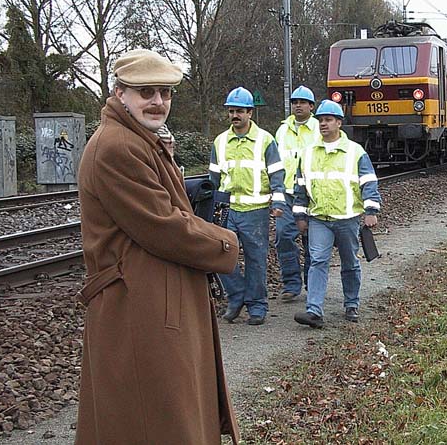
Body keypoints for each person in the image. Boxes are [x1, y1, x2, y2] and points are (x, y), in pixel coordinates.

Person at [75, 49, 241, 444]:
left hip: (148, 297)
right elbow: (164, 226)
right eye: (145, 91)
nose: (157, 101)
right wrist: (227, 244)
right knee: (156, 419)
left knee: (154, 416)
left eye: (165, 93)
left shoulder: (139, 139)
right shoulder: (118, 147)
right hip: (136, 306)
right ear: (120, 93)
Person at [293, 100, 381, 329]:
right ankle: (314, 311)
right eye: (320, 120)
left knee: (350, 263)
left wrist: (371, 210)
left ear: (339, 123)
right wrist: (300, 216)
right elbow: (300, 186)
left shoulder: (355, 152)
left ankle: (351, 303)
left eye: (328, 120)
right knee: (317, 261)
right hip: (319, 218)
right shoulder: (308, 153)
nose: (323, 124)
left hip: (347, 218)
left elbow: (369, 182)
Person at [209, 87, 288, 326]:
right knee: (220, 255)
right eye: (232, 111)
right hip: (228, 210)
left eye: (240, 111)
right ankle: (237, 296)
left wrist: (277, 199)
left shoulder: (265, 140)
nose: (235, 115)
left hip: (255, 210)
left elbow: (276, 172)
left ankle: (257, 305)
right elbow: (214, 178)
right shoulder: (220, 141)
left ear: (250, 113)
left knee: (256, 259)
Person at [274, 85, 321, 301]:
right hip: (286, 193)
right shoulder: (282, 130)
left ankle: (312, 284)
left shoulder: (320, 129)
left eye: (302, 102)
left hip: (312, 195)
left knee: (312, 241)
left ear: (312, 106)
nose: (298, 105)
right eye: (295, 102)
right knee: (284, 237)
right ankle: (291, 284)